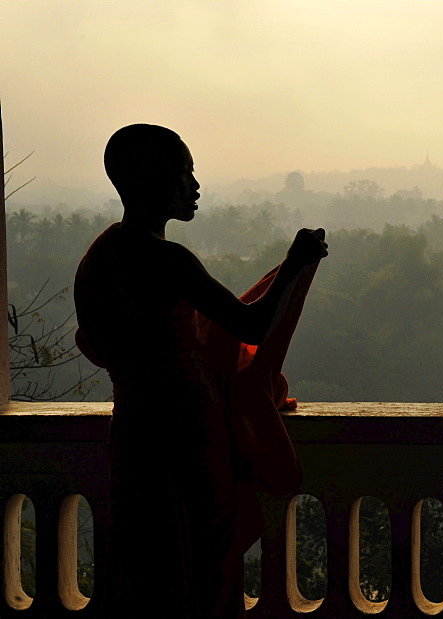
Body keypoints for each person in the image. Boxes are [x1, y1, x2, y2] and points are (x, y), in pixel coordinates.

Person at [74, 124, 328, 617]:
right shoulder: (167, 260)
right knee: (204, 580)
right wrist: (294, 264)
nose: (194, 185)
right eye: (183, 172)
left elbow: (96, 342)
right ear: (150, 180)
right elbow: (249, 323)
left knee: (148, 575)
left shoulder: (101, 257)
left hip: (134, 434)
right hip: (188, 439)